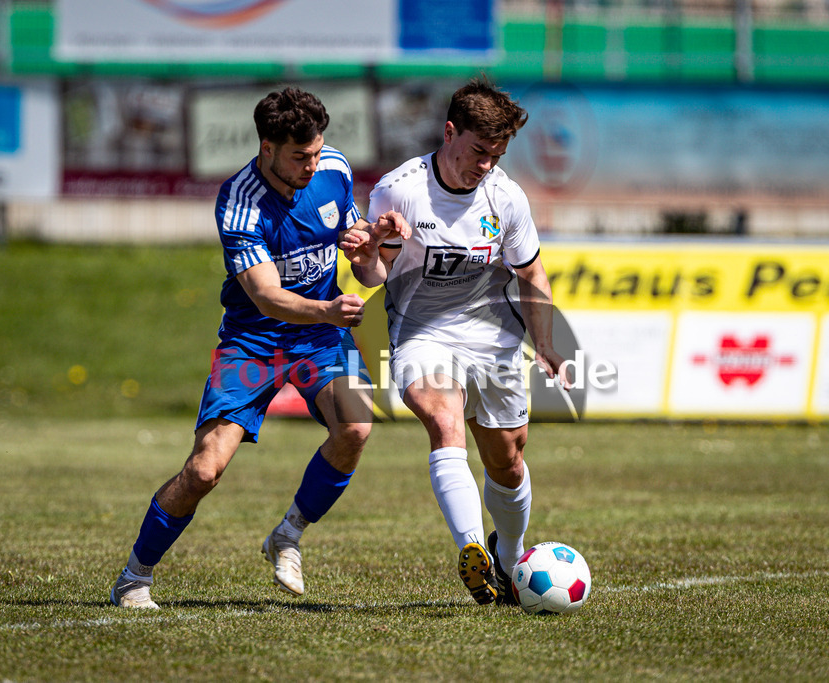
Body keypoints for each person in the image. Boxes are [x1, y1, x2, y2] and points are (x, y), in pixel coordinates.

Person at [110, 86, 410, 609]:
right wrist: (329, 309)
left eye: (317, 152)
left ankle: (288, 533)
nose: (312, 166)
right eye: (300, 157)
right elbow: (268, 298)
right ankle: (134, 578)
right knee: (205, 469)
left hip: (318, 337)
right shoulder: (239, 201)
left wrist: (377, 246)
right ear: (266, 148)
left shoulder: (333, 169)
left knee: (356, 427)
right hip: (255, 342)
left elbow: (370, 270)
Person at [346, 78, 569, 606]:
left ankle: (509, 557)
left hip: (493, 335)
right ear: (450, 133)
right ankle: (471, 549)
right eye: (478, 151)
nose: (487, 164)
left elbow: (531, 274)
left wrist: (547, 344)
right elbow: (373, 278)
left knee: (508, 461)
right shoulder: (399, 189)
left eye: (497, 154)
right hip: (421, 330)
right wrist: (371, 247)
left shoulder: (506, 197)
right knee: (443, 420)